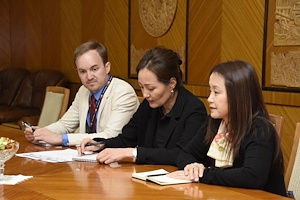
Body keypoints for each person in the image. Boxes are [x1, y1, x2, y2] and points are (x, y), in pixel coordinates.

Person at [168, 60, 286, 196]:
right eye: (210, 91)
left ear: (238, 96)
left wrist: (204, 174)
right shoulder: (215, 122)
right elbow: (185, 154)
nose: (209, 99)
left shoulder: (260, 129)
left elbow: (252, 177)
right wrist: (192, 167)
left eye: (216, 92)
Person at [78, 47, 207, 166]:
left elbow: (182, 154)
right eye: (141, 87)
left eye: (151, 88)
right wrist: (101, 144)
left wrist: (133, 153)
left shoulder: (194, 110)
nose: (145, 94)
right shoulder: (149, 105)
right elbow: (127, 139)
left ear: (172, 83)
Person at [24, 41, 139, 146]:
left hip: (119, 161)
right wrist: (41, 133)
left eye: (94, 69)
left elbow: (111, 136)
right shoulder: (83, 91)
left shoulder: (123, 92)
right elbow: (65, 125)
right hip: (88, 157)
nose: (89, 77)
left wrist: (60, 139)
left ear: (107, 67)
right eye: (83, 71)